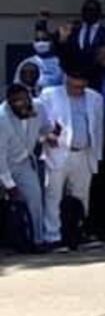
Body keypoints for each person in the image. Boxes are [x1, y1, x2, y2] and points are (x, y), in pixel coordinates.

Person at [37, 63, 105, 250]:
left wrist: (97, 154)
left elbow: (97, 128)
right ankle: (53, 236)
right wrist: (45, 137)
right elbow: (39, 121)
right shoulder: (49, 95)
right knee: (54, 194)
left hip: (83, 152)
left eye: (82, 86)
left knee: (81, 195)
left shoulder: (95, 98)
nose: (78, 89)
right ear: (67, 79)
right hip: (58, 151)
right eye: (75, 85)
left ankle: (78, 232)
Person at [0, 85, 45, 250]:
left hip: (22, 163)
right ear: (9, 103)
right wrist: (10, 186)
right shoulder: (2, 119)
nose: (22, 104)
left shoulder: (38, 108)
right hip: (3, 163)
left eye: (25, 100)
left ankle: (36, 240)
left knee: (35, 197)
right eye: (17, 102)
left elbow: (46, 127)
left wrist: (51, 134)